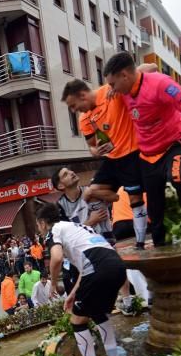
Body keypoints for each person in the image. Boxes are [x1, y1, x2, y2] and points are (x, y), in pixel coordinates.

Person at [104, 52, 181, 249]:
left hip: (174, 144)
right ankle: (160, 242)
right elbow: (145, 69)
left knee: (177, 177)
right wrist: (115, 89)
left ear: (124, 76)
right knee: (154, 208)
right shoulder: (123, 90)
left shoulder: (160, 84)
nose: (111, 90)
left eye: (112, 85)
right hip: (148, 154)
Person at [38, 203, 126, 356]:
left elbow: (56, 257)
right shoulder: (77, 227)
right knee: (99, 313)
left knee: (77, 320)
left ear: (42, 223)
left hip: (98, 269)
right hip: (116, 266)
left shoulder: (53, 230)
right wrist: (72, 294)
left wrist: (53, 284)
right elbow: (85, 267)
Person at [61, 78, 148, 246]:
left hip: (131, 153)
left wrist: (121, 85)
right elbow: (92, 147)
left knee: (135, 199)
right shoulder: (84, 119)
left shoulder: (110, 91)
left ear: (82, 95)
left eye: (73, 105)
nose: (74, 110)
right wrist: (96, 151)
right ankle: (116, 198)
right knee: (90, 192)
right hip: (111, 159)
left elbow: (146, 69)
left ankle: (141, 244)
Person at [51, 166, 115, 243]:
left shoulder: (90, 190)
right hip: (85, 245)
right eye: (65, 174)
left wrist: (93, 193)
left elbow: (116, 197)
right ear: (60, 186)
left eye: (70, 170)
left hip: (108, 239)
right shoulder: (60, 206)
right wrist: (91, 222)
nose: (71, 173)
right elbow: (68, 234)